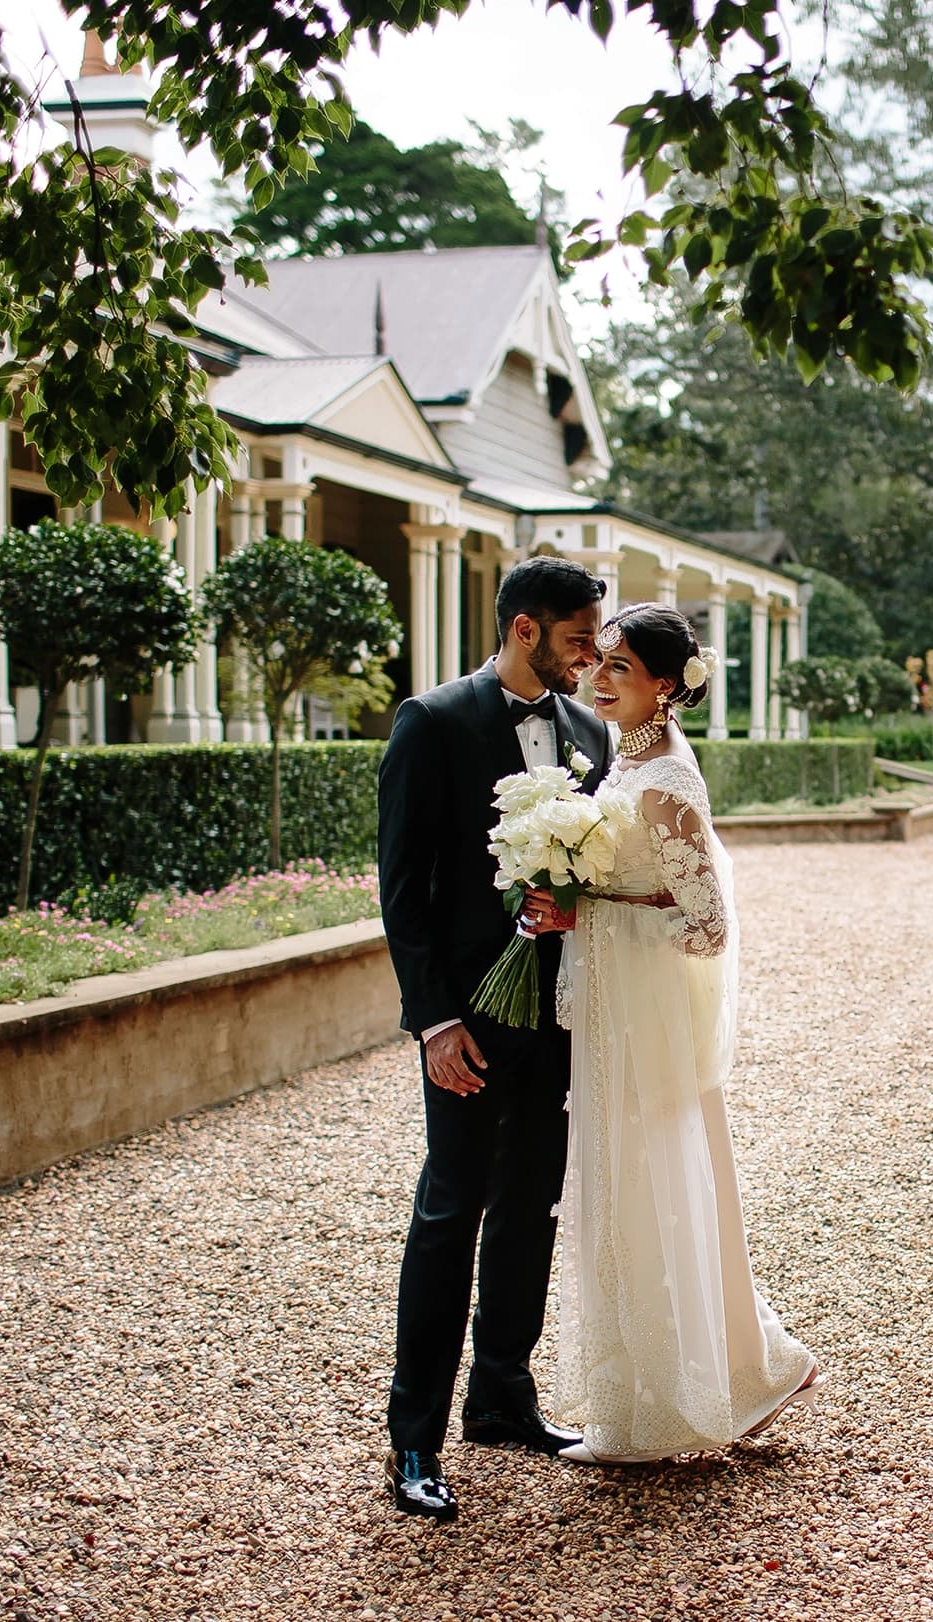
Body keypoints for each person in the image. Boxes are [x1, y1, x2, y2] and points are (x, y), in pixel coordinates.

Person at [547, 603, 824, 1465]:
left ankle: (668, 1404)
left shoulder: (665, 781)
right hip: (611, 1008)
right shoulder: (624, 759)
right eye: (600, 661)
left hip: (644, 1016)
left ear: (664, 686)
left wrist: (594, 906)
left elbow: (707, 925)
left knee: (649, 1183)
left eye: (619, 667)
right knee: (627, 1180)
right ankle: (740, 1365)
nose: (598, 675)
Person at [377, 555, 614, 1519]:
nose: (592, 657)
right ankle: (414, 1441)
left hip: (558, 1018)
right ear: (525, 629)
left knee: (533, 1207)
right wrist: (433, 1019)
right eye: (577, 639)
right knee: (451, 1213)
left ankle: (503, 1402)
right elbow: (403, 889)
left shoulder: (589, 730)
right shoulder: (432, 722)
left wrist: (574, 911)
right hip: (467, 1023)